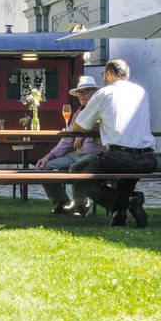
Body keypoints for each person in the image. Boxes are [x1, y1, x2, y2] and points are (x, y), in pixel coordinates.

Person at [70, 58, 157, 227]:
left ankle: (125, 203)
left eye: (103, 74)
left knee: (81, 179)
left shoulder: (104, 93)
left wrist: (99, 123)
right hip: (148, 159)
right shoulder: (142, 92)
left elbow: (78, 127)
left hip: (120, 157)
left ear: (108, 74)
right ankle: (120, 212)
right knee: (126, 178)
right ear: (127, 75)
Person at [38, 75, 106, 216]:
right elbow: (67, 140)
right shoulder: (78, 113)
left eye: (86, 91)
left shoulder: (103, 108)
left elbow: (101, 127)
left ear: (95, 92)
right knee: (44, 167)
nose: (82, 95)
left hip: (96, 154)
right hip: (77, 154)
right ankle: (63, 203)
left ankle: (81, 205)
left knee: (77, 168)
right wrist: (48, 156)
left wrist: (81, 134)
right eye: (80, 92)